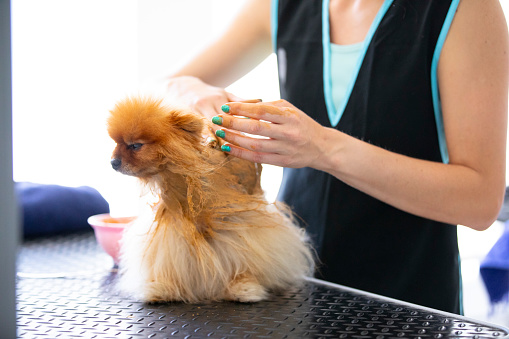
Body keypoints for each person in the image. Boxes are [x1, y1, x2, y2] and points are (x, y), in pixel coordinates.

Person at [165, 0, 508, 314]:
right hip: (291, 293)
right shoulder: (277, 7)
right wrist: (194, 91)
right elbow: (166, 86)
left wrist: (323, 147)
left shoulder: (464, 9)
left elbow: (480, 201)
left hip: (410, 304)